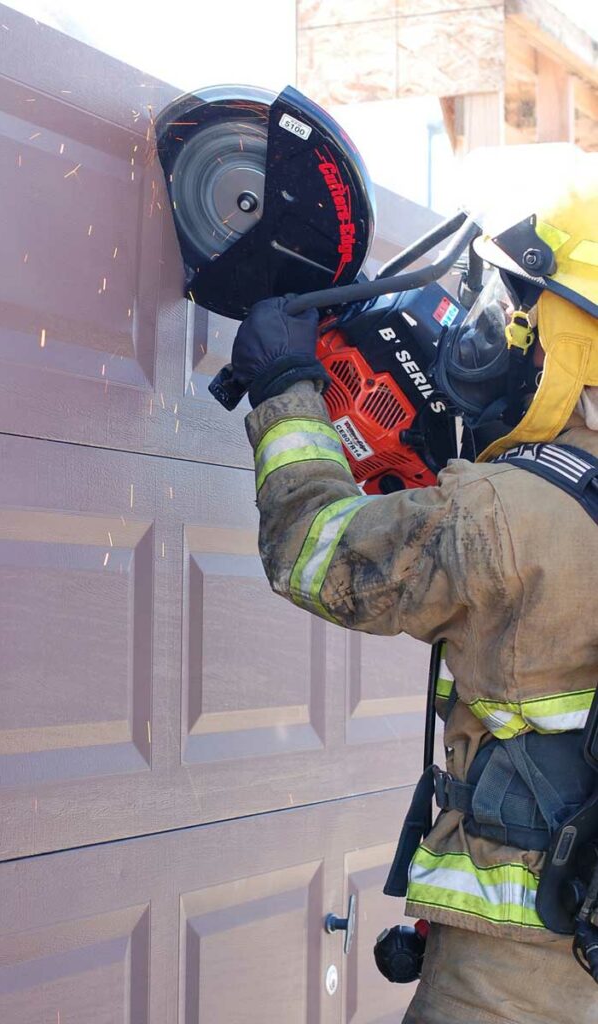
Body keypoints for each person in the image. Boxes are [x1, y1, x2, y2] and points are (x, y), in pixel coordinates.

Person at [229, 161, 598, 1022]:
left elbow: (312, 552)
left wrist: (284, 390)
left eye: (527, 329)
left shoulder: (505, 515)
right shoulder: (529, 507)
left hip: (510, 982)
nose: (506, 342)